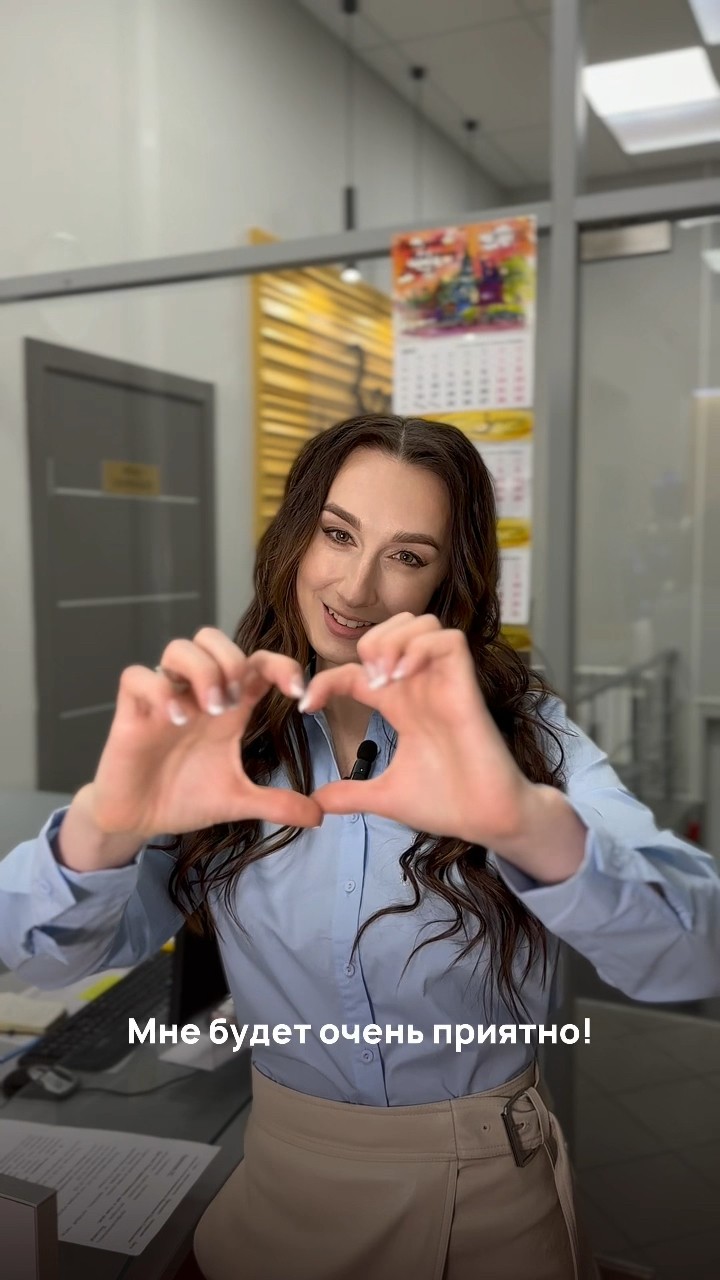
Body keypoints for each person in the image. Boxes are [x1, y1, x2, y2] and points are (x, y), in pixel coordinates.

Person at [1, 413, 719, 1280]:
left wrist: (521, 821)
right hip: (280, 1191)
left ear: (449, 581)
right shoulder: (226, 740)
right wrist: (103, 829)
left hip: (486, 1201)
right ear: (295, 536)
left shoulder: (527, 741)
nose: (355, 585)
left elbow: (695, 953)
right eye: (338, 534)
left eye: (407, 555)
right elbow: (43, 961)